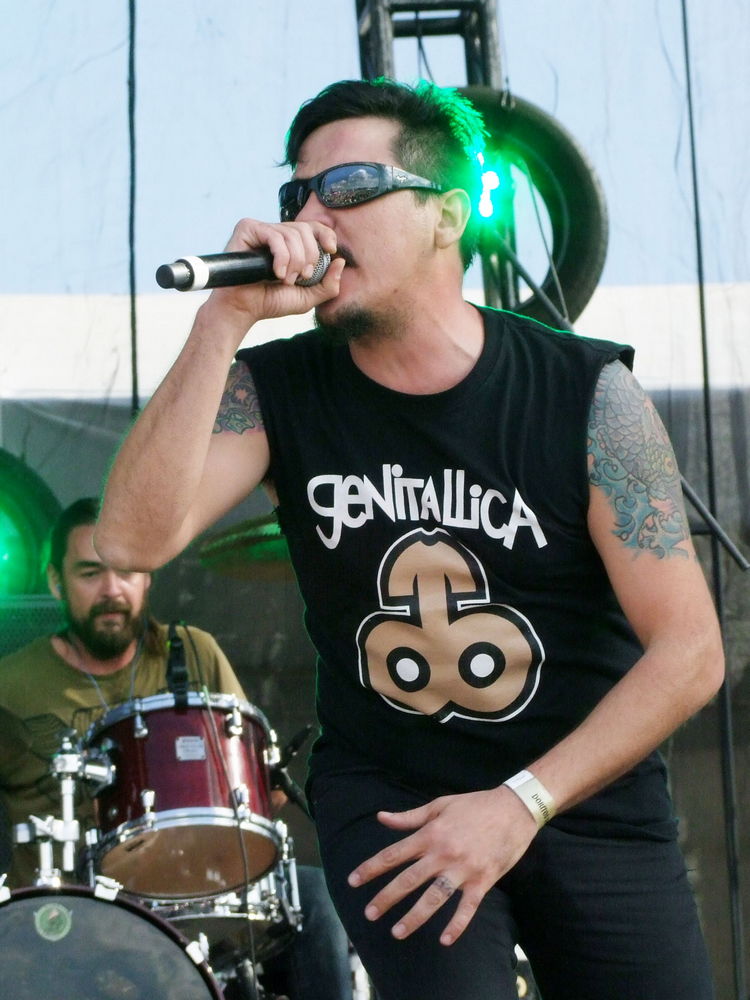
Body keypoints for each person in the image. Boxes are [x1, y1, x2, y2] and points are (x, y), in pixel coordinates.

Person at [94, 78, 725, 1000]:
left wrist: (520, 803)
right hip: (394, 796)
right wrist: (221, 322)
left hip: (583, 794)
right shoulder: (276, 389)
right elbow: (127, 543)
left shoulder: (584, 392)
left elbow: (691, 652)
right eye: (297, 193)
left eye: (347, 186)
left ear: (447, 216)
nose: (311, 217)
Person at [0, 497, 352, 1000]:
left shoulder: (193, 651)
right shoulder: (10, 685)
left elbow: (259, 790)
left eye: (127, 572)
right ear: (56, 582)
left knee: (315, 896)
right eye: (90, 573)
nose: (112, 590)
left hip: (186, 894)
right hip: (63, 917)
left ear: (147, 578)